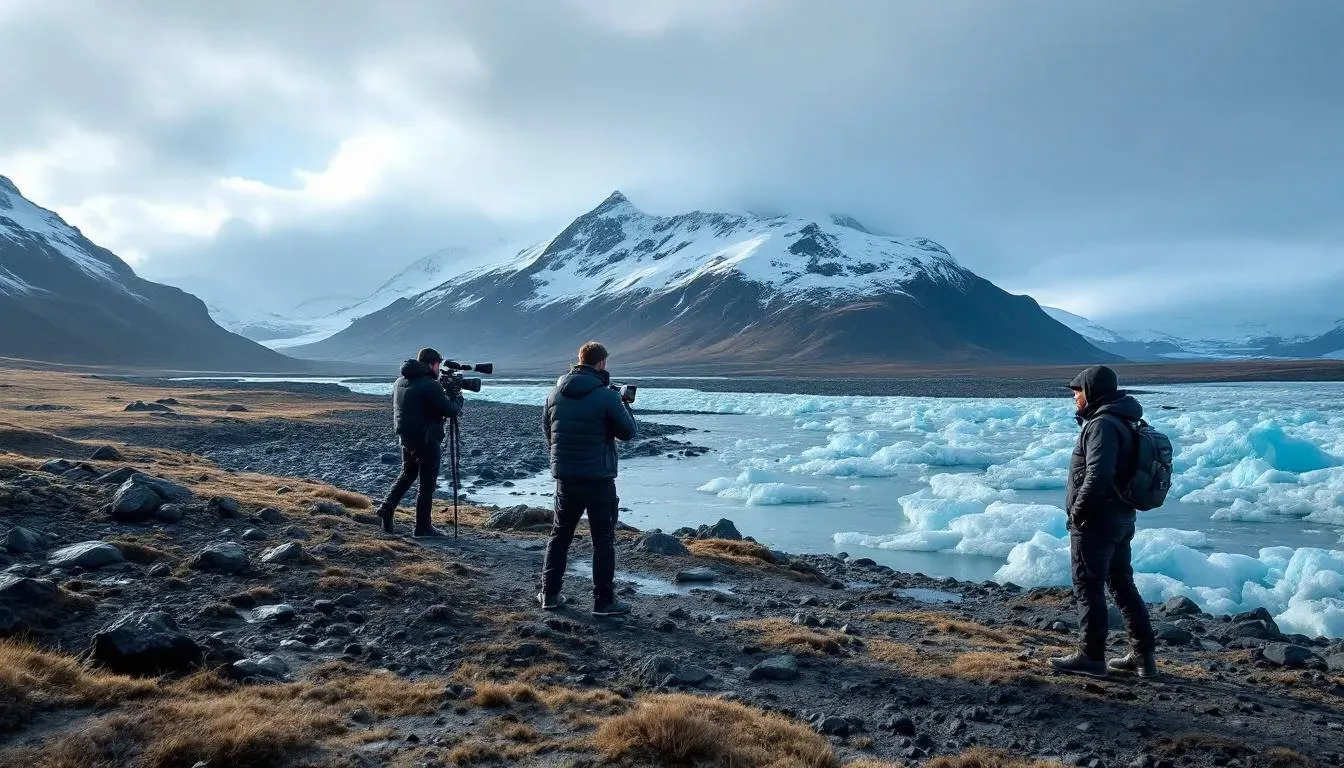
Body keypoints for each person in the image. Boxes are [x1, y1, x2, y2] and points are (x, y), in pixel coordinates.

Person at [1050, 364, 1157, 678]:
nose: (1075, 398)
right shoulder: (1125, 420)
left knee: (1089, 586)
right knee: (1122, 585)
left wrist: (1078, 513)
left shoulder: (1102, 424)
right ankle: (1143, 657)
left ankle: (1092, 657)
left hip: (1097, 521)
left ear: (1091, 391)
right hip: (1121, 517)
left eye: (1077, 391)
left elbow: (1098, 474)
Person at [539, 341, 637, 615]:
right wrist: (624, 404)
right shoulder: (607, 396)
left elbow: (548, 432)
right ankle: (603, 602)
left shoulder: (553, 394)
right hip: (599, 478)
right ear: (602, 363)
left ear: (579, 360)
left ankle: (549, 595)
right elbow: (628, 432)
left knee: (560, 535)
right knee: (603, 540)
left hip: (566, 478)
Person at [375, 347, 463, 538]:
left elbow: (420, 407)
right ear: (432, 364)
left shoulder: (400, 381)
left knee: (407, 475)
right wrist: (459, 399)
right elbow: (449, 410)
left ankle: (387, 507)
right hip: (427, 439)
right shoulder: (430, 384)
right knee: (427, 485)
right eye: (438, 365)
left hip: (407, 438)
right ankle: (423, 527)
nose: (439, 369)